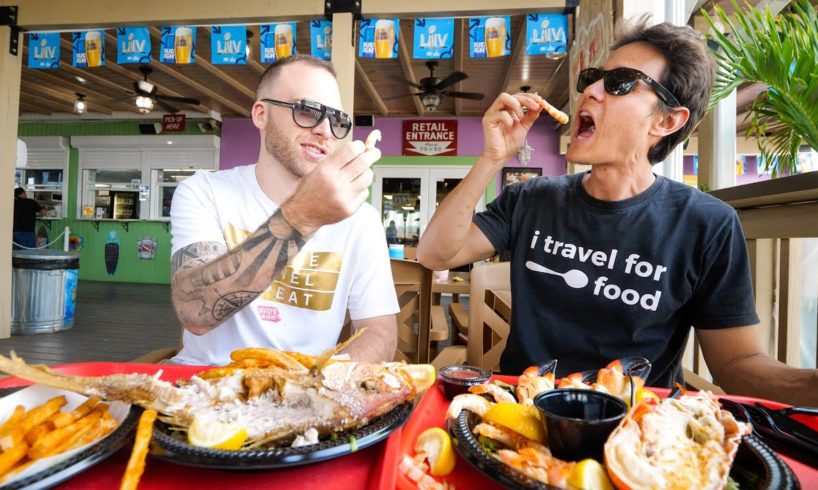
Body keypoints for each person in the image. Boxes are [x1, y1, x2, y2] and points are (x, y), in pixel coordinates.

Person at [417, 18, 818, 406]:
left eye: (619, 82)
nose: (589, 90)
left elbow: (736, 364)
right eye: (592, 77)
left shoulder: (706, 223)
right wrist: (491, 159)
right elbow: (436, 254)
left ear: (667, 120)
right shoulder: (531, 199)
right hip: (521, 411)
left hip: (633, 426)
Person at [169, 54, 398, 366]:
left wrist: (318, 384)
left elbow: (380, 335)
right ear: (261, 114)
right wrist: (303, 215)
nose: (326, 131)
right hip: (204, 385)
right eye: (307, 110)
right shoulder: (205, 191)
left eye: (337, 120)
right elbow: (195, 312)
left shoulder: (362, 221)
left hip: (309, 397)